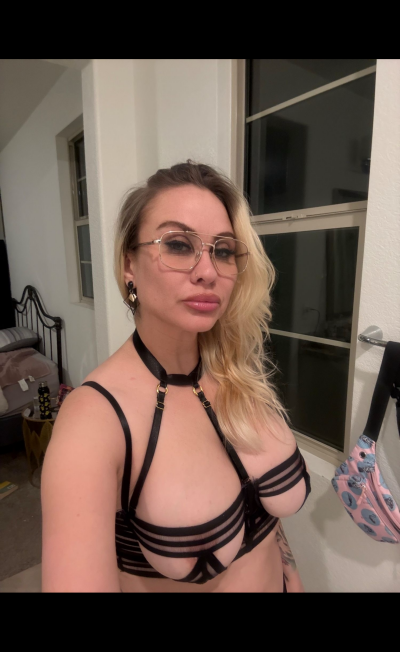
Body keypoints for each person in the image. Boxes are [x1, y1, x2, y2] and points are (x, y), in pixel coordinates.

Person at [41, 161, 311, 592]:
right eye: (179, 245)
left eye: (224, 250)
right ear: (129, 264)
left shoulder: (236, 370)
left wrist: (293, 580)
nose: (209, 271)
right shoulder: (93, 422)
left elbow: (266, 521)